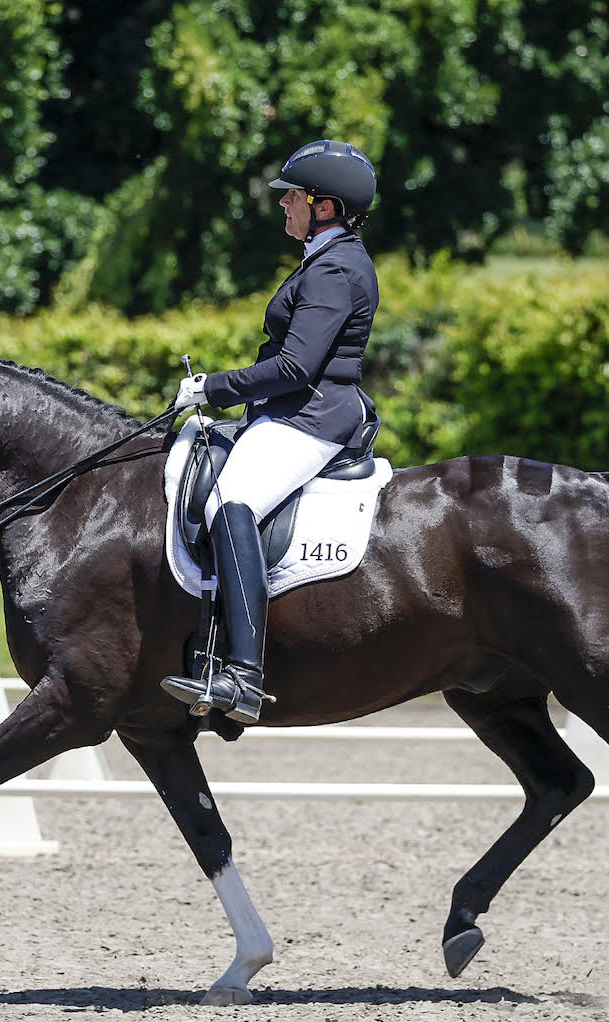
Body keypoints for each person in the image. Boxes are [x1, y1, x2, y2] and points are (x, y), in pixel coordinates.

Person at [161, 139, 380, 725]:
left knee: (231, 503)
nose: (284, 205)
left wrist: (212, 388)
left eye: (293, 198)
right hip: (293, 411)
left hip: (310, 416)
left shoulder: (334, 269)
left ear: (326, 206)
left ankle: (243, 676)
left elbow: (294, 368)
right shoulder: (327, 258)